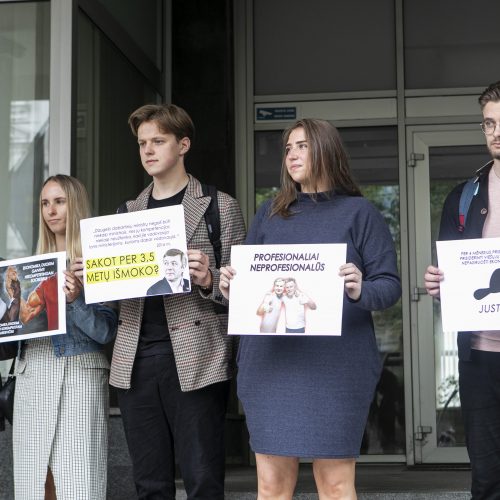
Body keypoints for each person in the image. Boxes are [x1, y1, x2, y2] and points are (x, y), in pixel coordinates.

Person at [219, 118, 401, 499]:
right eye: (287, 148)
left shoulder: (360, 213)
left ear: (326, 150)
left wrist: (358, 288)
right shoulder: (269, 213)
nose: (292, 155)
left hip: (336, 367)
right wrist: (230, 286)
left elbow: (389, 287)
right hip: (271, 365)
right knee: (271, 486)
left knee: (335, 485)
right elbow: (250, 288)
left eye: (302, 145)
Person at [110, 103, 246, 499]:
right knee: (149, 483)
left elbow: (248, 290)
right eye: (141, 143)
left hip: (197, 358)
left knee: (203, 480)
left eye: (158, 141)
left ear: (183, 144)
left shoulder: (219, 206)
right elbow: (118, 290)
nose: (148, 150)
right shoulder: (126, 212)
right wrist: (95, 279)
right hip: (135, 359)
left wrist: (210, 278)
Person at [13, 175, 118, 500]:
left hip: (80, 374)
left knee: (80, 480)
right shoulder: (30, 266)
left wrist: (75, 302)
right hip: (34, 374)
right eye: (45, 203)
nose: (51, 210)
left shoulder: (97, 260)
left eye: (59, 201)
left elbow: (105, 331)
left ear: (75, 204)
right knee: (34, 480)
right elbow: (17, 333)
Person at [424, 81, 500, 500]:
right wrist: (438, 284)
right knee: (486, 478)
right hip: (480, 358)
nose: (496, 132)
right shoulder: (463, 197)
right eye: (489, 123)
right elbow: (451, 276)